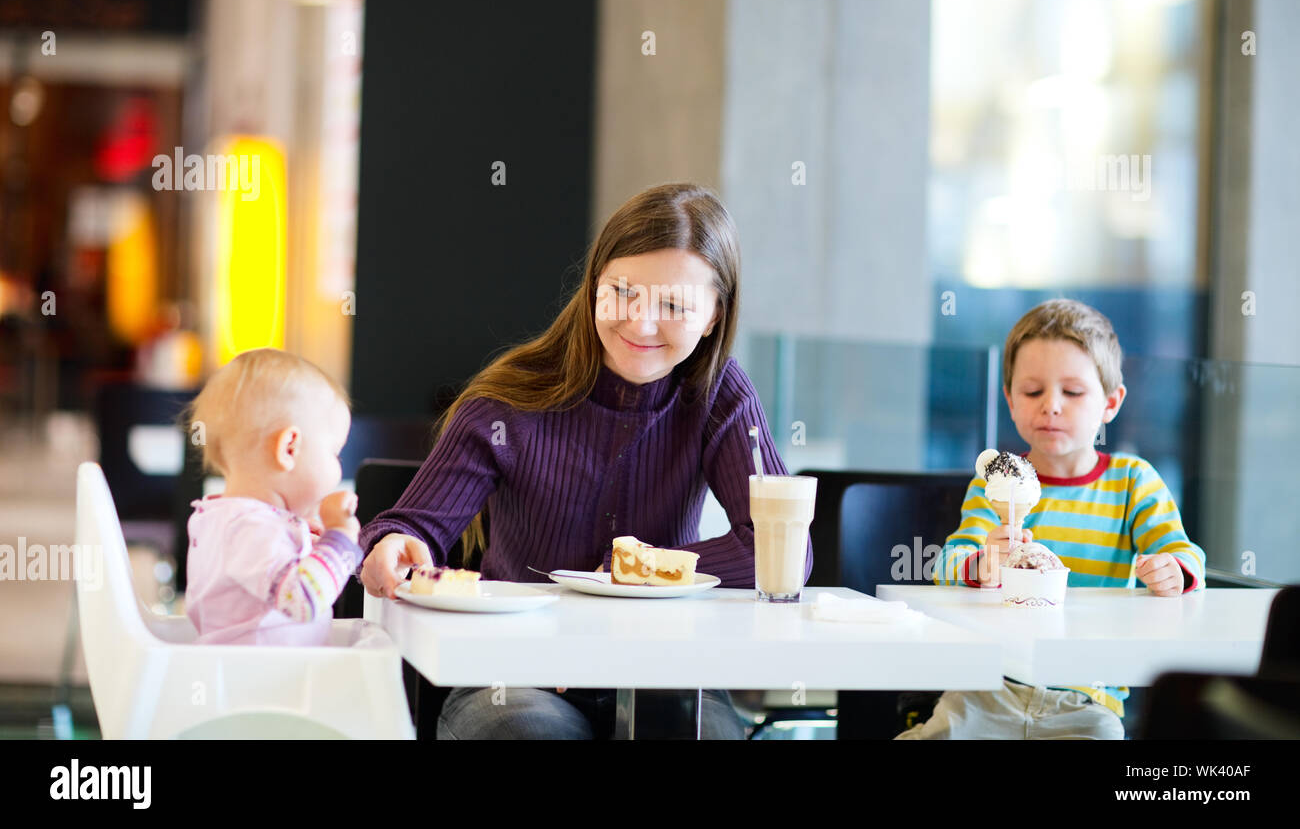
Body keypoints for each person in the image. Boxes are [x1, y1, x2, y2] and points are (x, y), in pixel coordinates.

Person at [357, 182, 805, 739]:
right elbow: (411, 527)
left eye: (673, 305)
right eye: (622, 292)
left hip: (663, 671)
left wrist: (643, 573)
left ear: (714, 316)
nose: (641, 323)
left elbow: (782, 547)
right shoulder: (510, 397)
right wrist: (397, 545)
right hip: (516, 673)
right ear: (594, 286)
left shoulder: (721, 396)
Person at [899, 298, 1206, 739]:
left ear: (1111, 403)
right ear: (1009, 399)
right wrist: (982, 563)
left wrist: (1174, 571)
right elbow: (947, 566)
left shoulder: (1132, 482)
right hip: (988, 688)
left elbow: (1183, 553)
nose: (1052, 406)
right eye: (1032, 391)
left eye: (1074, 392)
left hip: (1087, 700)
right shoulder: (997, 483)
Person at [182, 348, 362, 645]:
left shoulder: (235, 521)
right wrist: (340, 537)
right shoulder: (248, 528)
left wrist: (307, 543)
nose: (338, 465)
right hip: (260, 684)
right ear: (289, 448)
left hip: (255, 680)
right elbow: (302, 599)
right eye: (334, 452)